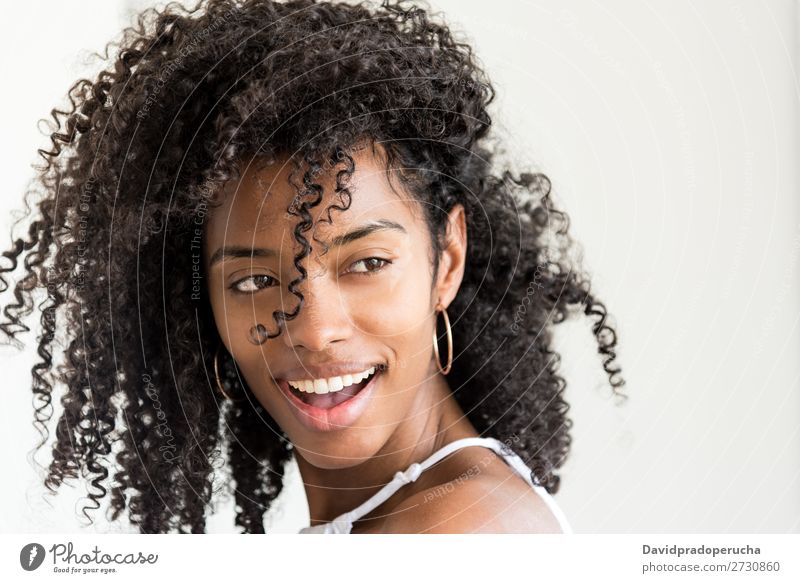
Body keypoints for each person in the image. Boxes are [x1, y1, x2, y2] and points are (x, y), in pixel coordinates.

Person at [0, 0, 625, 534]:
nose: (313, 328)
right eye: (254, 280)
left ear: (447, 259)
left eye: (367, 263)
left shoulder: (457, 532)